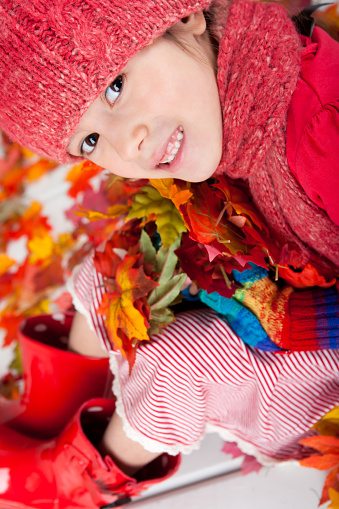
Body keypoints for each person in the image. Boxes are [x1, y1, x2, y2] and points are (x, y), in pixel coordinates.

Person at [0, 0, 338, 507]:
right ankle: (57, 407)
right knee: (116, 272)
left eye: (115, 87)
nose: (126, 146)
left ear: (184, 16)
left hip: (324, 334)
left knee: (179, 363)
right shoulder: (236, 87)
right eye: (90, 140)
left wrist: (290, 320)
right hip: (288, 270)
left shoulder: (322, 135)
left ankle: (81, 481)